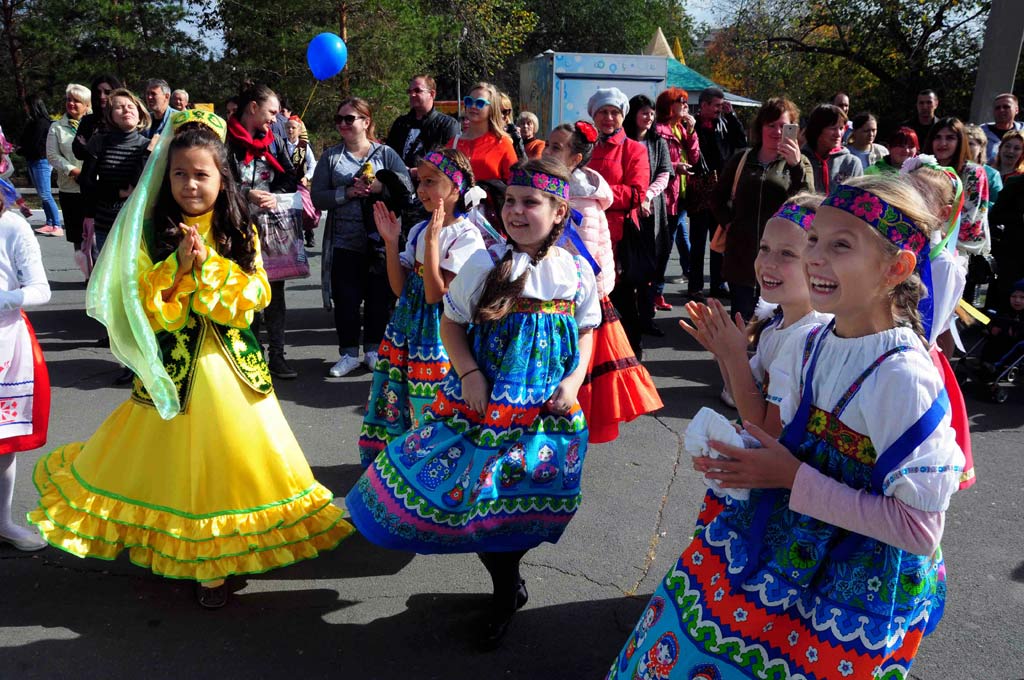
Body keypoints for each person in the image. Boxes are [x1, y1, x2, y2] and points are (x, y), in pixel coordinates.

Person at [609, 174, 964, 679]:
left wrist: (790, 477)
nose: (815, 256)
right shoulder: (811, 342)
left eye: (840, 245)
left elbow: (919, 529)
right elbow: (787, 441)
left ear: (896, 268)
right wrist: (748, 462)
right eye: (815, 240)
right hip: (783, 545)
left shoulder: (902, 376)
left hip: (846, 585)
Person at [29, 111, 354, 607]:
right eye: (179, 173)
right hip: (174, 369)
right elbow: (144, 305)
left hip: (232, 370)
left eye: (201, 174)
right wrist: (178, 269)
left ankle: (218, 563)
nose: (189, 184)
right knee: (172, 468)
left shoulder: (238, 227)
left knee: (232, 465)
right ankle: (184, 550)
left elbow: (257, 293)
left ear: (223, 178)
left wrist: (210, 269)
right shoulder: (152, 229)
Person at [345, 157, 599, 650]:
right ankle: (506, 590)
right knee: (484, 503)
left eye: (531, 202)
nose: (517, 212)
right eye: (510, 201)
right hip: (483, 410)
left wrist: (572, 382)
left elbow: (587, 331)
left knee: (526, 503)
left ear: (560, 211)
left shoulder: (574, 270)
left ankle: (508, 581)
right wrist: (469, 373)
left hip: (545, 414)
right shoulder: (484, 263)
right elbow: (451, 321)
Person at [680, 194, 830, 531]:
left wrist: (734, 355)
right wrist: (723, 353)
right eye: (764, 248)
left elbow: (764, 431)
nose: (768, 263)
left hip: (787, 494)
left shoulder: (809, 337)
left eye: (788, 254)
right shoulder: (778, 324)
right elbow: (740, 394)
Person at [356, 148, 487, 465]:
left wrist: (432, 244)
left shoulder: (466, 236)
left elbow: (434, 295)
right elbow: (400, 288)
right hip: (405, 330)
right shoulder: (418, 229)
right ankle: (395, 460)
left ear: (456, 188)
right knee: (395, 393)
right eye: (420, 182)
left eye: (432, 182)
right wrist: (391, 242)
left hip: (437, 337)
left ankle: (428, 463)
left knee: (427, 398)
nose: (422, 190)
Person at [543, 121, 662, 443]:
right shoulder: (546, 191)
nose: (547, 150)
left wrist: (589, 298)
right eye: (547, 144)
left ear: (576, 158)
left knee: (574, 370)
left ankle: (566, 429)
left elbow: (591, 257)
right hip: (548, 296)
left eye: (556, 147)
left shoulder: (584, 202)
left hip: (574, 302)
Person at [311, 97, 413, 378]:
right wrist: (348, 193)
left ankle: (372, 351)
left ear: (366, 122)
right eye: (339, 119)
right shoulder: (332, 157)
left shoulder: (385, 153)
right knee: (346, 299)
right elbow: (317, 196)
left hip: (380, 240)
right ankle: (347, 354)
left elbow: (406, 188)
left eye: (349, 118)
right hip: (344, 240)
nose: (343, 124)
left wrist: (381, 185)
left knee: (378, 298)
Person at [903, 161, 976, 491]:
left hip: (913, 364)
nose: (912, 200)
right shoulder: (897, 245)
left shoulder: (943, 265)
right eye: (910, 191)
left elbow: (927, 330)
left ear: (945, 212)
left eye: (923, 195)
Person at [713, 97, 813, 322]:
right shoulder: (742, 158)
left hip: (783, 256)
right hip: (742, 253)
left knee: (777, 322)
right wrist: (729, 222)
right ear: (761, 127)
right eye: (771, 125)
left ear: (793, 130)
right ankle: (740, 357)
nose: (777, 131)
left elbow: (807, 203)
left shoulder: (801, 163)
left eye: (783, 126)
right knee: (742, 318)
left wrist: (795, 167)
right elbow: (718, 197)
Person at [226, 83, 298, 379]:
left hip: (270, 230)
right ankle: (248, 354)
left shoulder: (273, 140)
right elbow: (218, 185)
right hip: (235, 229)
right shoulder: (223, 142)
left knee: (274, 295)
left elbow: (289, 178)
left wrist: (273, 195)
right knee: (244, 294)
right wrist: (247, 195)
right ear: (252, 107)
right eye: (271, 111)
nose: (275, 118)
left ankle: (277, 356)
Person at [0, 188, 51, 552]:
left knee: (3, 443)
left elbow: (40, 290)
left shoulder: (12, 226)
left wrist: (5, 298)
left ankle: (2, 521)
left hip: (5, 342)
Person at [587, 87, 650, 356]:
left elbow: (637, 193)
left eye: (614, 112)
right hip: (583, 236)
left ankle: (628, 357)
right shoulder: (585, 148)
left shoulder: (634, 149)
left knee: (621, 303)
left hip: (618, 239)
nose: (609, 117)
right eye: (603, 112)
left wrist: (593, 191)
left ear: (623, 116)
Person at [79, 88, 152, 262]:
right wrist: (116, 193)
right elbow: (86, 182)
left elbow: (139, 185)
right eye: (119, 107)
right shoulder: (99, 142)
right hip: (106, 223)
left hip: (137, 226)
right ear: (110, 115)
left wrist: (148, 153)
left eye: (130, 106)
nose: (126, 109)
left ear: (139, 112)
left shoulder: (148, 146)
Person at [689, 86, 746, 301]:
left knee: (718, 242)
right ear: (703, 105)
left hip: (721, 191)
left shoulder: (725, 122)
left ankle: (717, 284)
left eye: (722, 106)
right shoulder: (692, 124)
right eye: (716, 106)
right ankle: (695, 286)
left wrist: (731, 116)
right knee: (697, 243)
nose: (719, 110)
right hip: (699, 190)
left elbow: (741, 143)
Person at [624, 94, 672, 341]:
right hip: (626, 210)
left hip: (652, 211)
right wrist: (634, 198)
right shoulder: (624, 141)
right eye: (644, 112)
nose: (649, 117)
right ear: (633, 114)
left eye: (652, 113)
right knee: (627, 265)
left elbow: (665, 172)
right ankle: (626, 317)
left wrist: (648, 195)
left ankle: (646, 317)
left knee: (650, 267)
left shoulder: (658, 141)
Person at [925, 117, 990, 262]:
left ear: (960, 142)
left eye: (950, 138)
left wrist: (936, 234)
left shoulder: (973, 172)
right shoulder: (922, 168)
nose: (943, 143)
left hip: (959, 248)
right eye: (938, 137)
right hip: (927, 238)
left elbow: (970, 217)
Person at [654, 88, 700, 291]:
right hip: (664, 195)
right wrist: (675, 167)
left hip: (682, 195)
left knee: (671, 241)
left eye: (686, 101)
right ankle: (656, 290)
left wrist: (691, 132)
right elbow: (654, 163)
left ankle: (657, 290)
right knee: (662, 246)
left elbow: (695, 157)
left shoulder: (682, 129)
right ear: (668, 105)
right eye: (680, 101)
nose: (685, 105)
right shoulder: (659, 130)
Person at [46, 83, 90, 264]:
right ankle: (85, 271)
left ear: (87, 105)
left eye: (77, 101)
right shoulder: (56, 128)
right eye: (68, 100)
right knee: (77, 235)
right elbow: (52, 155)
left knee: (96, 234)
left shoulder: (97, 125)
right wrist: (72, 170)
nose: (71, 104)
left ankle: (98, 273)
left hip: (94, 187)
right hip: (70, 189)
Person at [385, 74, 459, 179]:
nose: (412, 95)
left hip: (430, 186)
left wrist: (419, 171)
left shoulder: (447, 125)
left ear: (432, 94)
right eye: (410, 92)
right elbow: (388, 154)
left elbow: (451, 165)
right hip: (399, 184)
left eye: (417, 91)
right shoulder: (401, 123)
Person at [451, 82, 518, 184]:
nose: (473, 106)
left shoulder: (502, 143)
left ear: (492, 108)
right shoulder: (454, 142)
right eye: (469, 101)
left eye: (480, 103)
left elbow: (515, 183)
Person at [17, 95, 63, 237]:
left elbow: (34, 144)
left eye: (28, 105)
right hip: (32, 160)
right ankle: (49, 223)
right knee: (42, 195)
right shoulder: (32, 123)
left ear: (34, 106)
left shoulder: (43, 123)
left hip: (41, 161)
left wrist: (21, 150)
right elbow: (24, 140)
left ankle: (57, 224)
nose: (25, 108)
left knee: (46, 194)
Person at [801, 104, 863, 194]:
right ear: (817, 129)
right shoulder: (800, 160)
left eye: (841, 128)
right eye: (833, 128)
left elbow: (857, 200)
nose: (838, 134)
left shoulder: (851, 163)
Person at [284, 115, 319, 247]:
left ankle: (309, 233)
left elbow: (312, 164)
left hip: (299, 183)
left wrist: (307, 177)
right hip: (284, 184)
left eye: (293, 128)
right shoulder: (279, 143)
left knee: (307, 209)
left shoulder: (304, 146)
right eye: (288, 128)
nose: (290, 130)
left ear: (299, 130)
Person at [72, 74, 121, 161]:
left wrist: (88, 145)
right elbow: (78, 153)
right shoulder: (87, 121)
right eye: (98, 92)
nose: (102, 96)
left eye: (107, 92)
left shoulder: (123, 120)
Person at [965, 124, 1002, 208]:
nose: (966, 148)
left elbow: (998, 205)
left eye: (970, 144)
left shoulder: (992, 175)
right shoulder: (952, 169)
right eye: (964, 144)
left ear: (981, 147)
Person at [981, 93, 1024, 162]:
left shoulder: (1022, 131)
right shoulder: (981, 133)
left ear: (1016, 110)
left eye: (1006, 107)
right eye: (997, 108)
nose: (1001, 110)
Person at [499, 91, 527, 161]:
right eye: (498, 111)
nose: (502, 115)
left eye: (505, 112)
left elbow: (523, 162)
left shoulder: (512, 131)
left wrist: (517, 142)